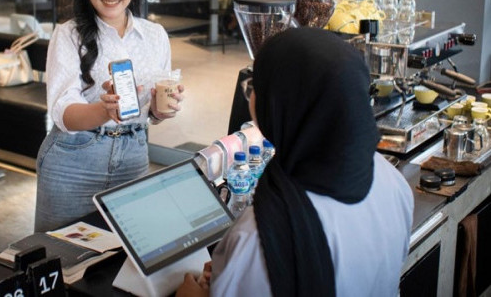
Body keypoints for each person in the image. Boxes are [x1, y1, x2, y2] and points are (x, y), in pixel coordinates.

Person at [177, 28, 413, 297]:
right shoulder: (391, 180)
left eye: (256, 87)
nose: (251, 97)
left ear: (281, 105)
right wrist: (231, 270)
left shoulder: (262, 237)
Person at [35, 0, 183, 232]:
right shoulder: (68, 34)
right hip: (73, 162)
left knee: (125, 252)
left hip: (133, 159)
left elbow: (151, 112)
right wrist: (104, 111)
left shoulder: (155, 35)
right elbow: (63, 113)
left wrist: (160, 109)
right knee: (59, 253)